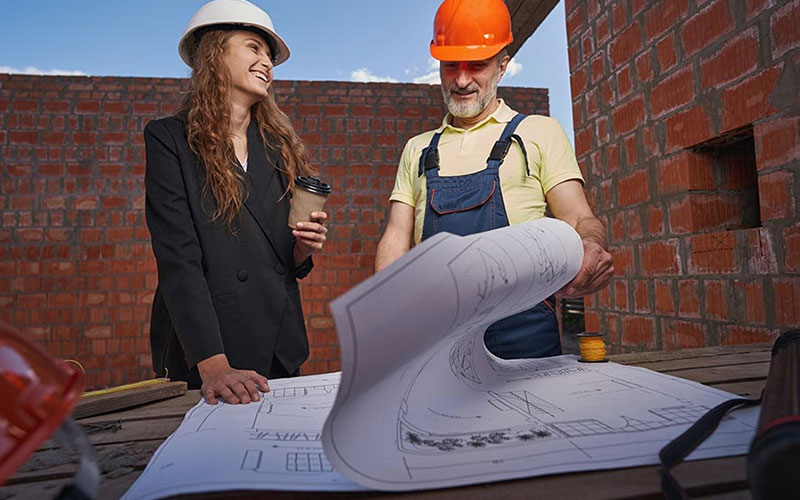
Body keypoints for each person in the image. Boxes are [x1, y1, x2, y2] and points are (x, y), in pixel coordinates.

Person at [375, 0, 613, 359]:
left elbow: (579, 217)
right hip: (439, 334)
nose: (462, 79)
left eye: (477, 65)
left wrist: (590, 244)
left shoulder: (539, 132)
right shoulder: (418, 149)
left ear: (502, 66)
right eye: (451, 65)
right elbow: (396, 238)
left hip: (526, 333)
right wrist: (388, 305)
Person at [144, 0, 327, 405]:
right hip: (209, 351)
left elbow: (281, 258)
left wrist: (301, 247)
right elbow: (179, 260)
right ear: (215, 53)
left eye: (269, 54)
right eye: (253, 48)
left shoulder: (278, 148)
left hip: (279, 344)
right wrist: (213, 364)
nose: (267, 62)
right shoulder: (169, 140)